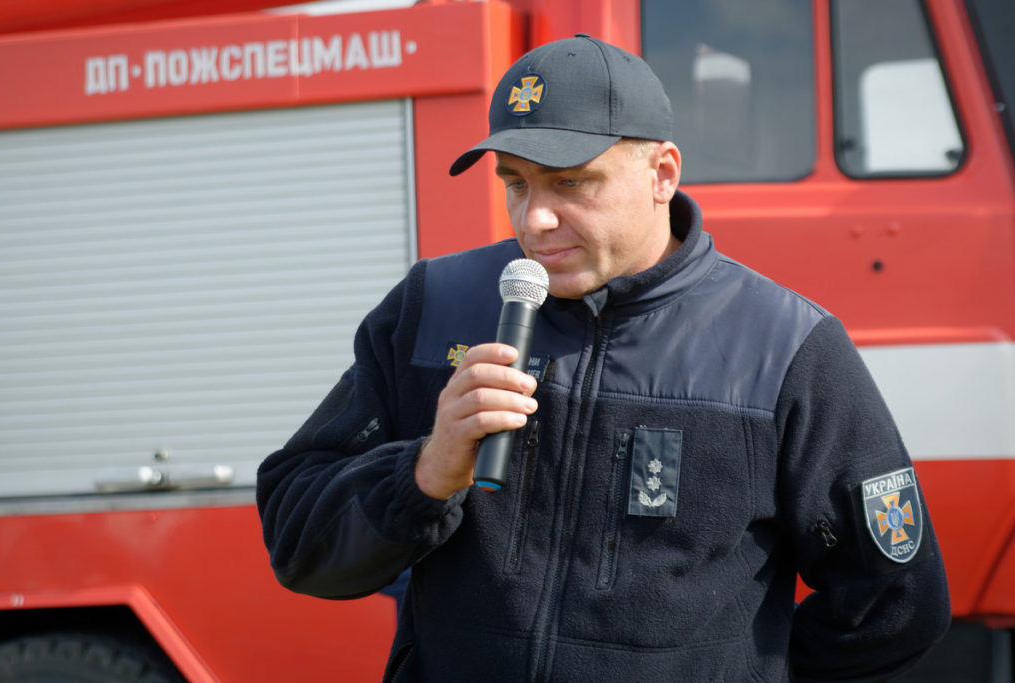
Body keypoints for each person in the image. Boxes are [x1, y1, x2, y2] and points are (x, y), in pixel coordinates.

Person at [257, 34, 950, 681]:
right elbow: (299, 544)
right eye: (515, 182)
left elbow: (895, 603)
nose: (533, 219)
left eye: (570, 182)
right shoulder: (433, 304)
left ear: (662, 173)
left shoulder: (786, 345)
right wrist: (425, 474)